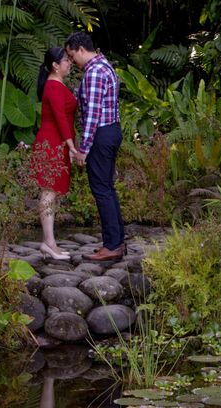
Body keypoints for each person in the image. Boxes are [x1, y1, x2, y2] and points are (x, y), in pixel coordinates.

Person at [65, 32, 126, 261]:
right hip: (111, 130)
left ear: (81, 49)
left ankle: (112, 245)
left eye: (72, 56)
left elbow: (92, 114)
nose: (72, 61)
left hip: (101, 133)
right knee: (107, 188)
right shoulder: (105, 65)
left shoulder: (93, 72)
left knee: (101, 189)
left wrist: (84, 148)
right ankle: (117, 242)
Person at [32, 47, 78, 261]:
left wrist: (68, 145)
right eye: (66, 60)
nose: (69, 63)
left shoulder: (57, 84)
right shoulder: (53, 86)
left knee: (53, 192)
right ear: (55, 66)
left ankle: (50, 242)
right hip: (52, 143)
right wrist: (72, 146)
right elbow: (60, 118)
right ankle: (48, 243)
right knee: (49, 192)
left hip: (57, 142)